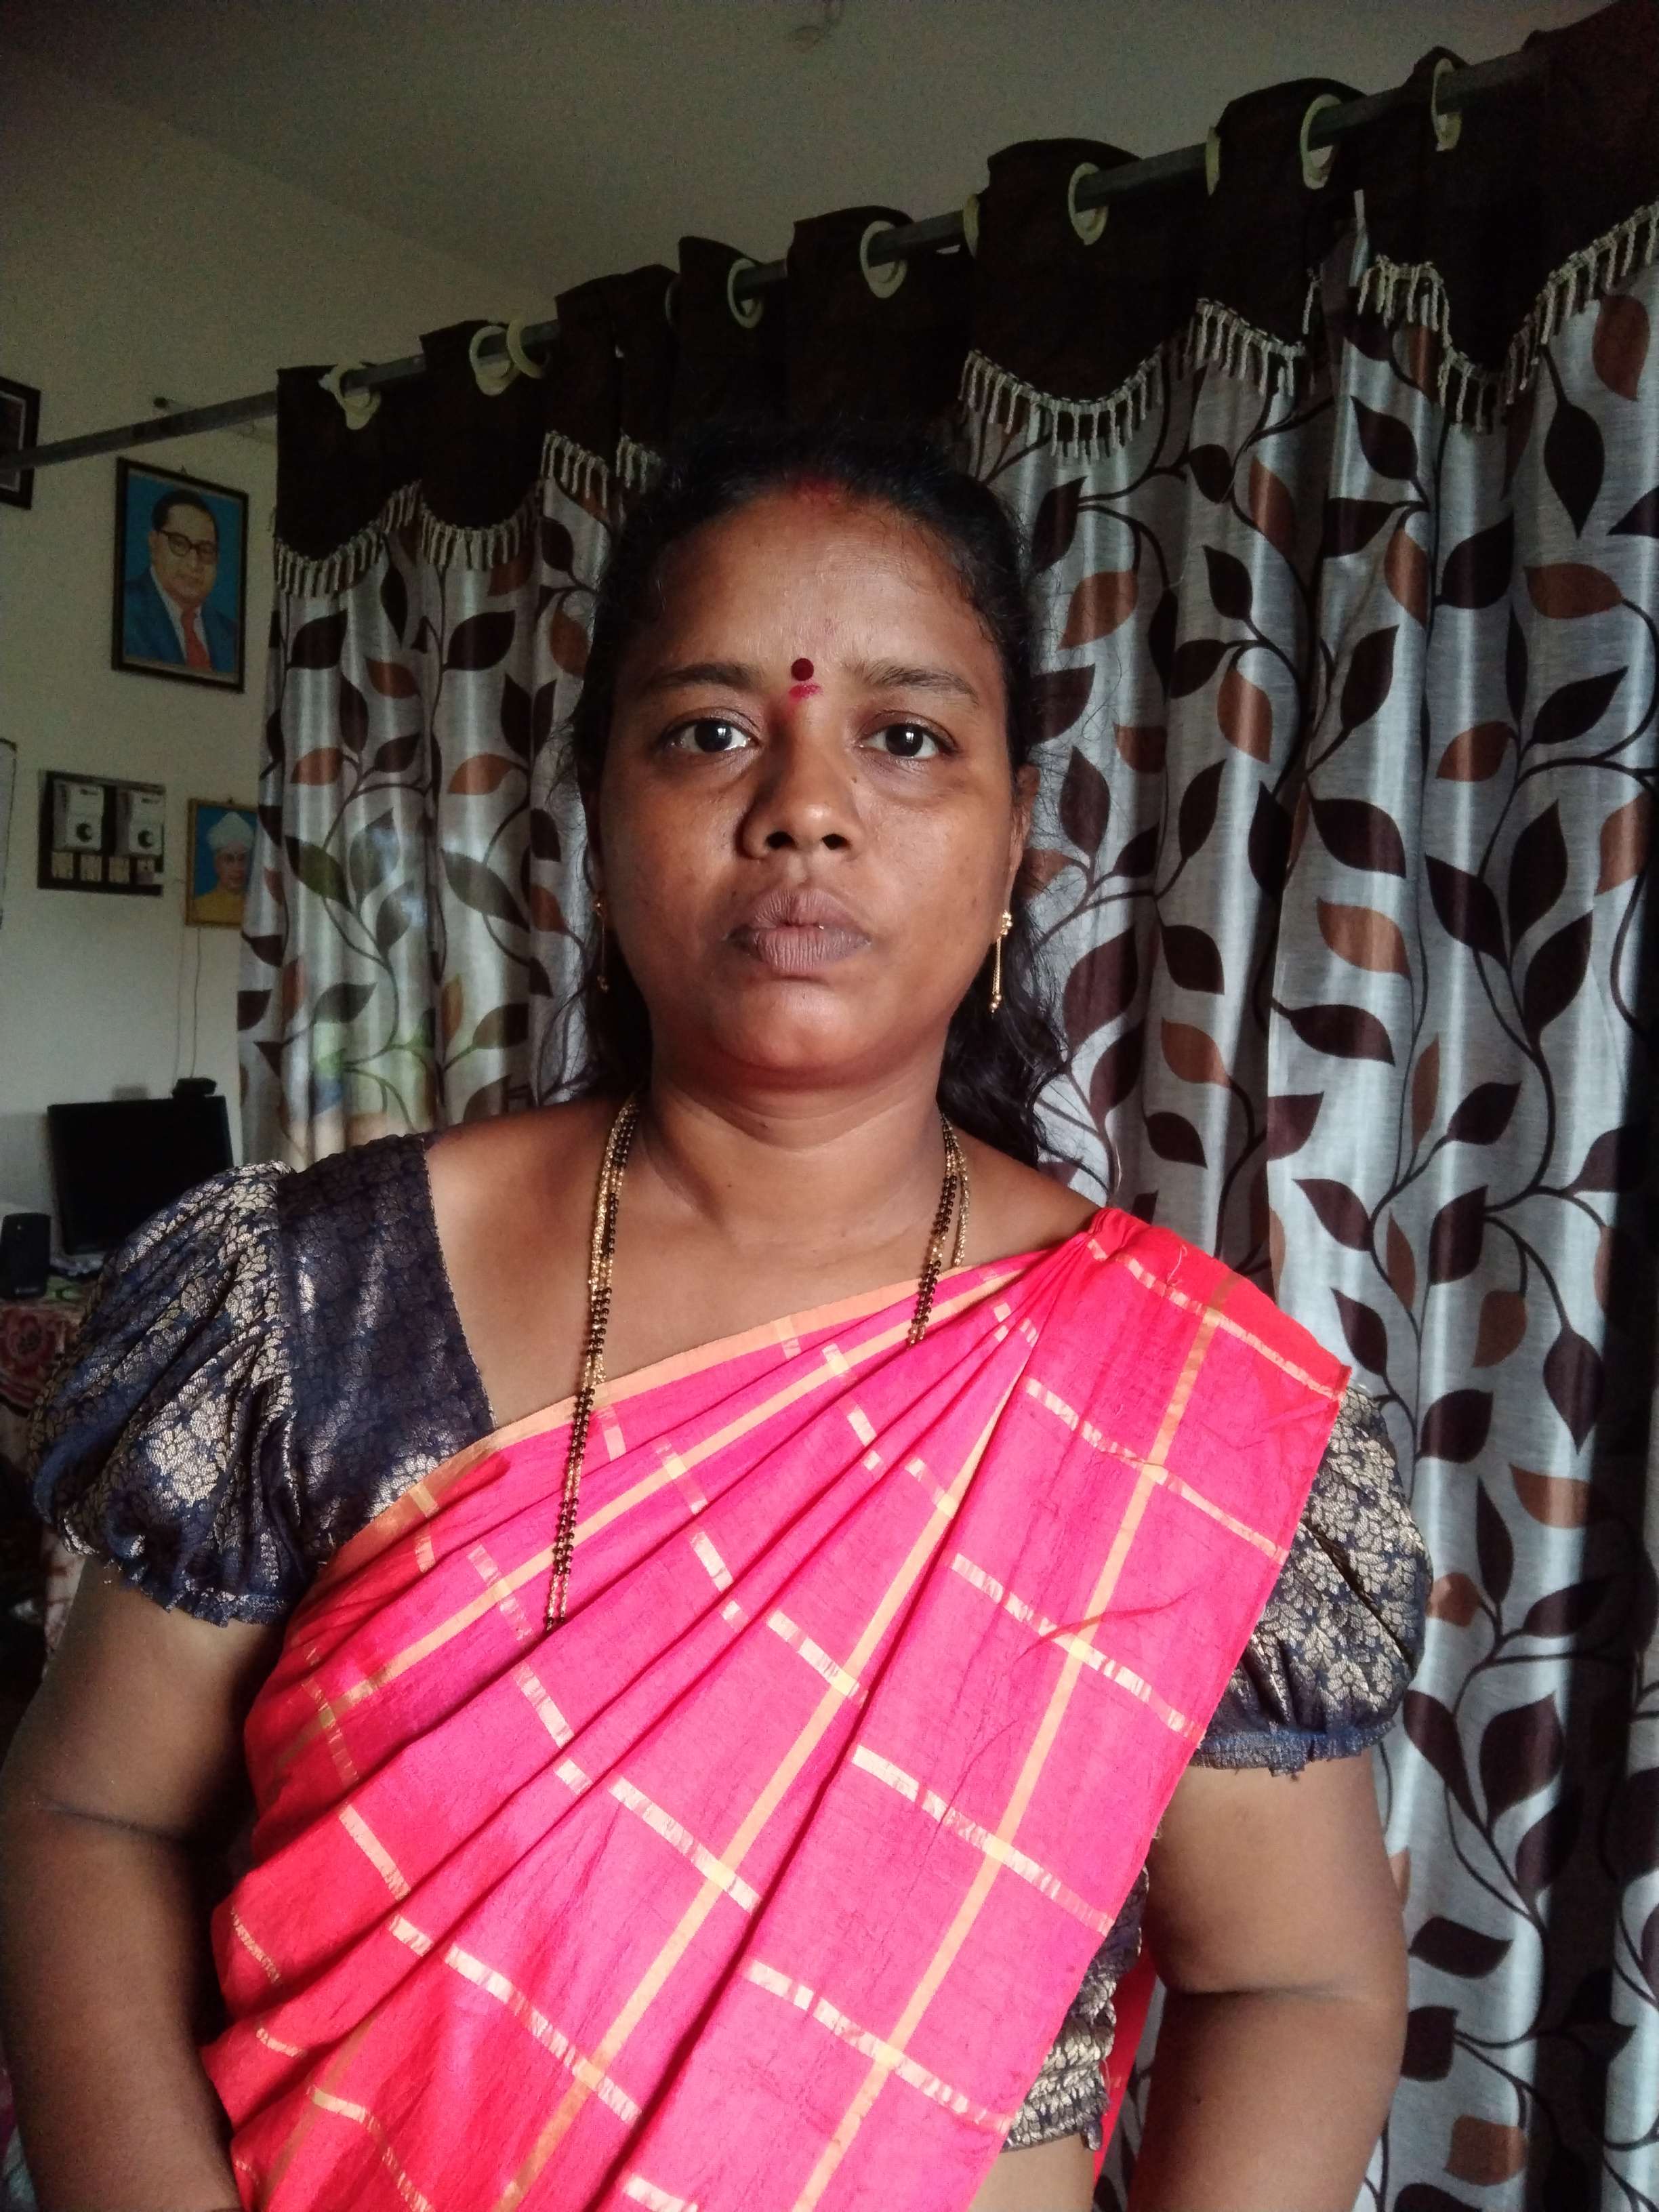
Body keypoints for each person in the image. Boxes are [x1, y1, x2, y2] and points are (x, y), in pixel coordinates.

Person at [0, 422, 1429, 2212]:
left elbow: (1295, 1981)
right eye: (709, 731)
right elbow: (88, 1816)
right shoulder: (315, 1302)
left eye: (905, 737)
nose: (803, 807)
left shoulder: (1174, 1415)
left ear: (1013, 843)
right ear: (600, 821)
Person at [123, 488, 237, 676]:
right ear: (153, 544)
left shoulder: (232, 635)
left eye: (206, 550)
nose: (194, 563)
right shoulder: (124, 611)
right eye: (179, 543)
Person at [190, 811, 254, 928]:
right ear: (217, 865)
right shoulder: (199, 907)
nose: (237, 868)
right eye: (229, 859)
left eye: (242, 859)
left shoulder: (257, 908)